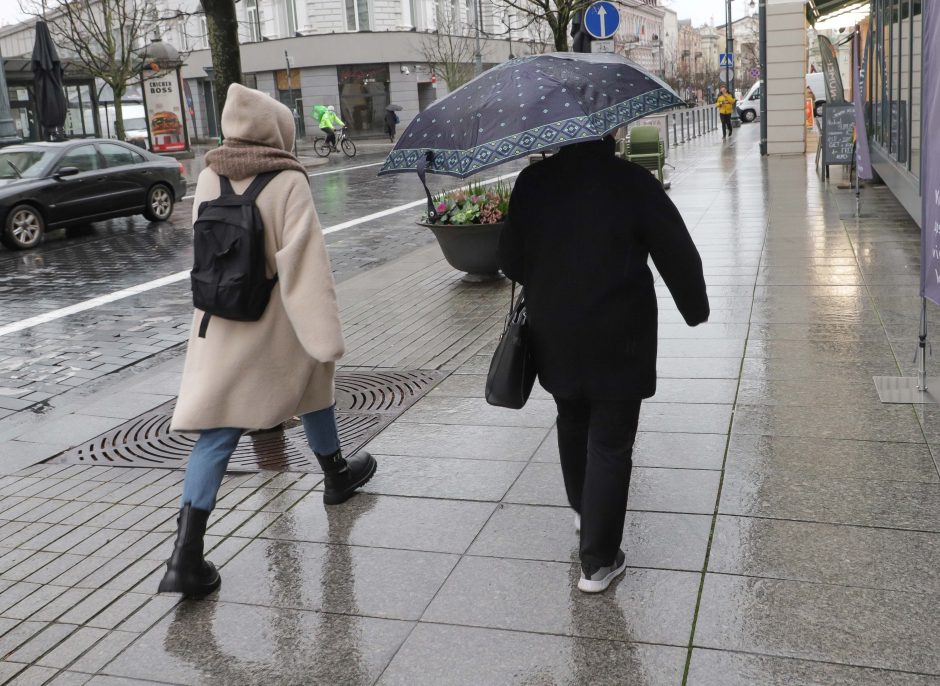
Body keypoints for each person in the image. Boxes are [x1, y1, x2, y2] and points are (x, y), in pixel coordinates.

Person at [158, 84, 377, 598]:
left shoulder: (209, 174)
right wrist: (326, 335)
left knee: (222, 427)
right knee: (311, 371)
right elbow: (304, 267)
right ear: (279, 130)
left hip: (220, 321)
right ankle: (334, 476)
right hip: (276, 322)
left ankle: (186, 556)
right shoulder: (288, 181)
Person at [498, 136, 709, 594]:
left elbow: (510, 260)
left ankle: (585, 514)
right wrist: (696, 309)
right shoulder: (632, 181)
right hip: (621, 334)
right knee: (611, 440)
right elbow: (676, 250)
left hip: (554, 329)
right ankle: (597, 561)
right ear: (607, 132)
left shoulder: (532, 182)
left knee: (571, 419)